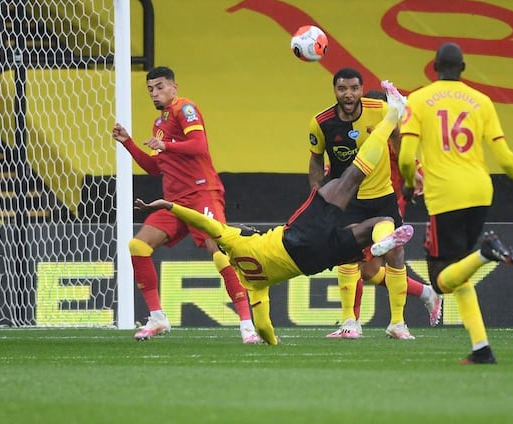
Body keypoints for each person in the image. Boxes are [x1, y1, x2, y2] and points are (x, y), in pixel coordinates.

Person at [137, 80, 415, 345]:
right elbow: (202, 221)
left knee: (381, 221)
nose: (245, 227)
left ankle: (381, 240)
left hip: (314, 262)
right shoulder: (233, 240)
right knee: (347, 180)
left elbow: (263, 324)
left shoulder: (253, 283)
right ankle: (393, 114)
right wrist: (168, 205)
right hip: (296, 236)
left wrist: (271, 341)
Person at [397, 42, 513, 364]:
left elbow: (405, 156)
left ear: (433, 67)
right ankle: (481, 348)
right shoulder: (481, 102)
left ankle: (487, 252)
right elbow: (503, 156)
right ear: (464, 68)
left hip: (446, 195)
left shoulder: (418, 99)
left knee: (440, 282)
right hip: (481, 191)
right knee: (460, 272)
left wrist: (406, 181)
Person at [113, 66, 258, 343]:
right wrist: (128, 142)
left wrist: (166, 146)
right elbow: (156, 168)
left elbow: (199, 146)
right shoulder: (159, 124)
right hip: (173, 202)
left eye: (159, 87)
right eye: (150, 89)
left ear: (174, 87)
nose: (155, 93)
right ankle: (157, 318)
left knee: (219, 252)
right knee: (138, 245)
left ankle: (247, 325)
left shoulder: (185, 108)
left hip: (203, 194)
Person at [308, 70, 442, 340]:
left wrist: (413, 173)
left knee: (379, 262)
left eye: (354, 88)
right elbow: (317, 161)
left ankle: (396, 321)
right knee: (360, 265)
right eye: (342, 88)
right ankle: (351, 321)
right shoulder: (322, 123)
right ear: (335, 90)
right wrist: (318, 194)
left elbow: (401, 144)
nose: (348, 94)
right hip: (348, 200)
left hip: (384, 197)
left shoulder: (381, 114)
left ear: (361, 90)